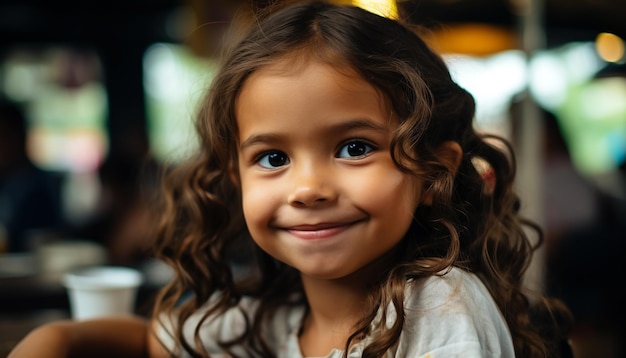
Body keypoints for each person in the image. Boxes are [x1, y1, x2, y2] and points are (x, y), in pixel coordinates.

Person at [9, 1, 573, 357]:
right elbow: (150, 340)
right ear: (235, 178)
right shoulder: (269, 319)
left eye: (354, 148)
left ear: (434, 173)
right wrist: (58, 337)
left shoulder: (439, 310)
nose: (308, 188)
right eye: (273, 158)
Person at [0, 100, 64, 253]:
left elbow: (45, 240)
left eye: (3, 136)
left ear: (19, 136)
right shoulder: (5, 182)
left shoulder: (41, 186)